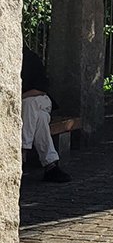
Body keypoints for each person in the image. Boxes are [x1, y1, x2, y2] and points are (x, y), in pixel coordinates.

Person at [21, 45, 71, 183]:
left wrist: (18, 98)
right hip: (32, 112)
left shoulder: (30, 58)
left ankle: (23, 151)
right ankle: (51, 165)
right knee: (41, 119)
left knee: (30, 103)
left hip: (40, 101)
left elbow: (40, 89)